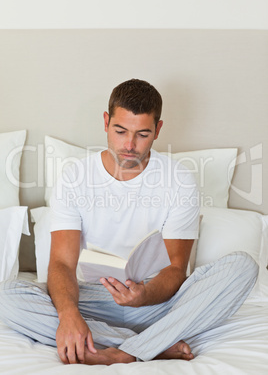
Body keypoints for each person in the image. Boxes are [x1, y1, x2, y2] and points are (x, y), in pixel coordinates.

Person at [0, 79, 258, 366]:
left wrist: (144, 295)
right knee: (8, 296)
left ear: (158, 130)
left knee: (243, 266)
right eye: (120, 131)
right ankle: (152, 345)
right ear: (106, 122)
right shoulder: (74, 177)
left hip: (155, 301)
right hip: (91, 297)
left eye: (142, 134)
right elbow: (61, 262)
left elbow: (175, 268)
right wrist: (69, 315)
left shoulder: (179, 180)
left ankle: (125, 351)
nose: (129, 145)